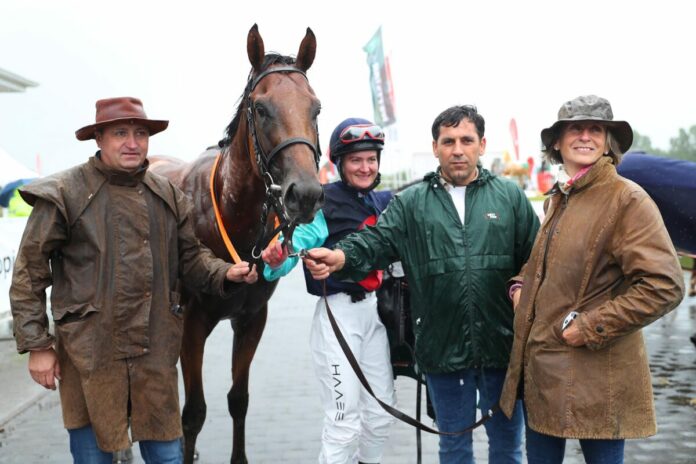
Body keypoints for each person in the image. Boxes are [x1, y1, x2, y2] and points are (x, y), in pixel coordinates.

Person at [9, 96, 258, 463]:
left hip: (153, 356)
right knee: (93, 457)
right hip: (91, 356)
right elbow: (28, 273)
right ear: (98, 138)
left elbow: (192, 259)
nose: (132, 142)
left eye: (140, 133)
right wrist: (38, 345)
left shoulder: (168, 194)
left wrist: (226, 272)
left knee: (168, 457)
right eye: (120, 133)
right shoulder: (64, 193)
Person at [303, 105, 540, 464]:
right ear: (435, 147)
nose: (457, 149)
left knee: (508, 446)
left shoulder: (510, 197)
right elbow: (375, 242)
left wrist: (524, 292)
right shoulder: (413, 203)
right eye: (448, 141)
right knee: (454, 447)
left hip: (503, 347)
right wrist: (341, 257)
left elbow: (536, 261)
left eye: (466, 140)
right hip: (444, 352)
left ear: (482, 144)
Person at [498, 95, 685, 464]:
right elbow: (549, 266)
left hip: (599, 380)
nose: (585, 136)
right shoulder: (560, 198)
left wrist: (590, 327)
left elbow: (665, 285)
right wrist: (521, 286)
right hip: (545, 378)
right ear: (557, 141)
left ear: (607, 141)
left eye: (595, 129)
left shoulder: (627, 199)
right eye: (575, 129)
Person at [261, 117, 395, 464]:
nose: (365, 167)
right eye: (355, 160)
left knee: (380, 415)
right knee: (343, 422)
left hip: (375, 317)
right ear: (339, 164)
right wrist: (278, 254)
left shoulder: (386, 202)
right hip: (339, 319)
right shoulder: (325, 202)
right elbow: (294, 245)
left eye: (371, 159)